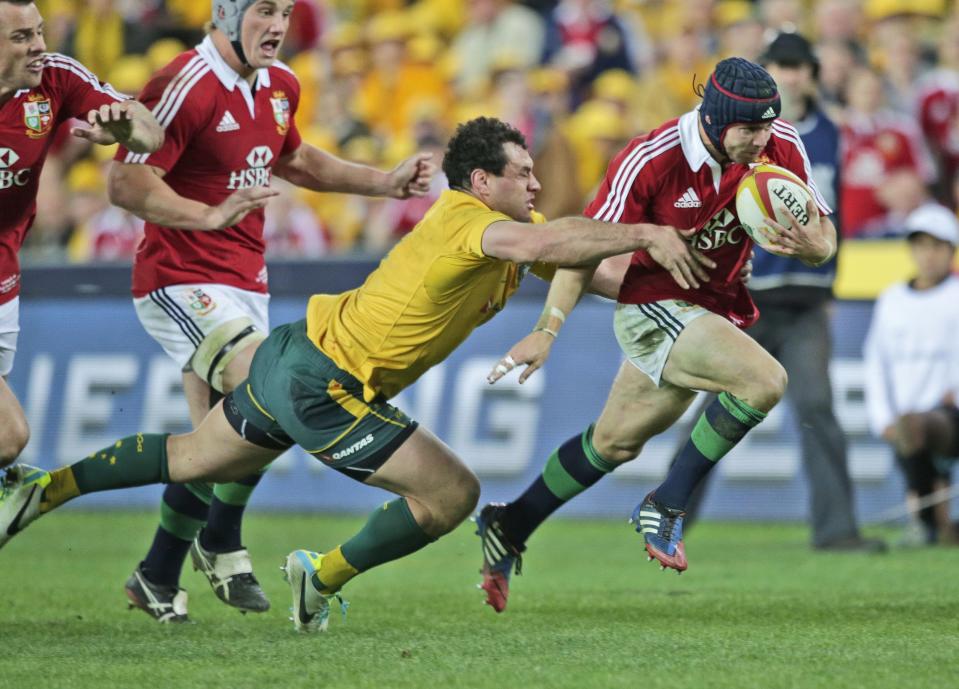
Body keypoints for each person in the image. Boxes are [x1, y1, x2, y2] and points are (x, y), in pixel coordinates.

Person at [0, 116, 708, 633]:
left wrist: (688, 285)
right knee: (453, 491)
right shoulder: (469, 217)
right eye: (523, 172)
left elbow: (585, 266)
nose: (537, 181)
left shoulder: (506, 235)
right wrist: (646, 229)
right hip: (325, 384)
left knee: (189, 456)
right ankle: (320, 571)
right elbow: (550, 240)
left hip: (295, 352)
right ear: (482, 180)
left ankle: (45, 486)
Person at [103, 0, 436, 624]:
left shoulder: (281, 84)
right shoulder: (185, 81)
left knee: (218, 445)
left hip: (245, 281)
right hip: (180, 278)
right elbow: (126, 183)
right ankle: (222, 539)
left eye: (285, 10)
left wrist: (383, 183)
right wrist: (205, 216)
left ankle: (156, 572)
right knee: (272, 390)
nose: (278, 25)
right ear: (225, 15)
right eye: (262, 11)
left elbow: (297, 160)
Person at [477, 57, 837, 613]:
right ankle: (667, 504)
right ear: (715, 121)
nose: (762, 139)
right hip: (652, 306)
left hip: (710, 308)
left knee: (614, 442)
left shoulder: (779, 142)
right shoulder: (652, 158)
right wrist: (548, 329)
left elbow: (825, 233)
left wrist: (816, 246)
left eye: (769, 125)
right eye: (750, 129)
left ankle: (511, 521)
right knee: (763, 381)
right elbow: (581, 248)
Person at [667, 32, 885, 553]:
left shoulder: (830, 132)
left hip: (807, 300)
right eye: (780, 66)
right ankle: (669, 514)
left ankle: (836, 531)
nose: (790, 75)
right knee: (715, 410)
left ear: (812, 74)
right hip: (751, 293)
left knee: (817, 409)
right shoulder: (740, 134)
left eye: (799, 66)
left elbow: (836, 218)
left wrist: (831, 283)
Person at [0, 0, 161, 469]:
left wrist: (127, 129)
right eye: (21, 37)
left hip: (6, 281)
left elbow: (150, 130)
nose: (39, 46)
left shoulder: (56, 78)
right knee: (10, 435)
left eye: (39, 31)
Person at [864, 202, 959, 546]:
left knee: (918, 432)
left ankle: (926, 524)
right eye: (921, 245)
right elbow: (876, 360)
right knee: (913, 442)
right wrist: (881, 416)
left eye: (936, 246)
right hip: (905, 414)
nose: (928, 255)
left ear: (951, 251)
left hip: (948, 414)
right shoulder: (892, 299)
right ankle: (933, 525)